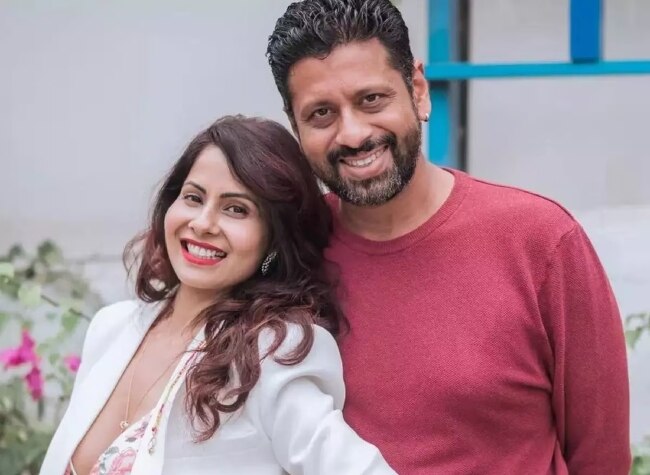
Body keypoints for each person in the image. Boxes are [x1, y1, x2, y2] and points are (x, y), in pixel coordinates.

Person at [266, 1, 631, 474]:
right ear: (295, 127)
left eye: (371, 99)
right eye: (321, 114)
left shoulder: (541, 241)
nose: (352, 134)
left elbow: (600, 458)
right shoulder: (287, 255)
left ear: (418, 91)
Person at [40, 115, 397, 475]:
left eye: (236, 209)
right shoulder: (111, 327)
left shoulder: (272, 352)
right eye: (193, 198)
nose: (203, 223)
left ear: (275, 239)